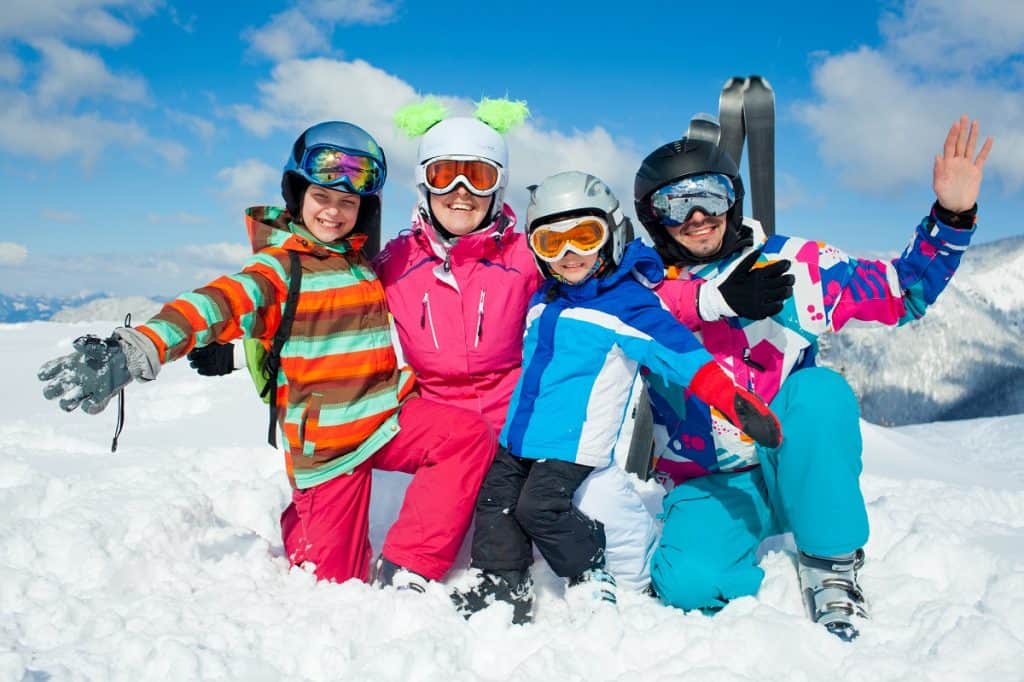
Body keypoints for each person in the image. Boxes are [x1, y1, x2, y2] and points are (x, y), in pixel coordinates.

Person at [37, 120, 497, 590]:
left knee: (464, 437)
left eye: (348, 202)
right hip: (329, 446)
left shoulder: (358, 261)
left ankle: (411, 562)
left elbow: (325, 337)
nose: (334, 212)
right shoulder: (280, 268)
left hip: (385, 415)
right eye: (322, 197)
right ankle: (306, 524)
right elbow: (217, 303)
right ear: (298, 195)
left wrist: (237, 356)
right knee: (334, 583)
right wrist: (143, 345)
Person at [632, 115, 993, 640]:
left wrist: (952, 216)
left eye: (709, 195)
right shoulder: (641, 286)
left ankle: (831, 562)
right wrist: (714, 302)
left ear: (732, 196)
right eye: (674, 204)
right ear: (653, 218)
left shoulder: (797, 263)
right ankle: (736, 547)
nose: (697, 216)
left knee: (819, 393)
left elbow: (903, 292)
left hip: (792, 456)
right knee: (687, 585)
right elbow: (608, 310)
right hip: (711, 479)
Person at [453, 170, 783, 624]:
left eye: (584, 237)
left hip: (573, 442)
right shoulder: (545, 299)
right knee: (497, 500)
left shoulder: (627, 304)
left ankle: (588, 571)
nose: (570, 255)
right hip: (521, 434)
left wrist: (731, 399)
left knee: (540, 508)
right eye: (552, 243)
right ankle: (502, 579)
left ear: (611, 233)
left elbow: (680, 353)